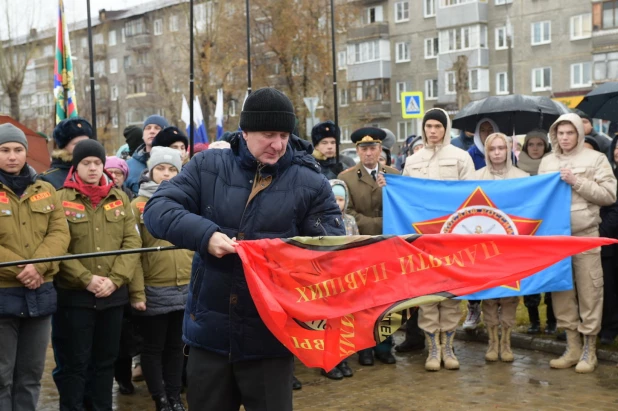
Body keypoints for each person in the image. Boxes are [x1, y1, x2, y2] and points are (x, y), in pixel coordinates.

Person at [143, 87, 345, 411]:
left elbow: (330, 250)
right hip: (209, 335)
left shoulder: (310, 182)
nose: (277, 144)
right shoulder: (207, 166)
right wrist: (206, 235)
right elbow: (157, 210)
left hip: (271, 339)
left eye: (284, 135)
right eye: (268, 134)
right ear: (245, 131)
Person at [52, 139, 141, 410]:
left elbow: (132, 242)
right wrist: (86, 279)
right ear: (75, 166)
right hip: (75, 297)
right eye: (86, 163)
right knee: (75, 364)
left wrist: (115, 280)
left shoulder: (120, 197)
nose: (93, 168)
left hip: (112, 298)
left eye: (97, 163)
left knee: (105, 362)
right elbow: (58, 247)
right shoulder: (60, 198)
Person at [389, 108, 474, 371]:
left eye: (438, 126)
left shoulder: (461, 158)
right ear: (424, 129)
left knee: (450, 295)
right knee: (427, 296)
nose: (433, 131)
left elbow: (471, 196)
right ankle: (432, 349)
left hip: (452, 239)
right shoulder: (414, 161)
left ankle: (448, 347)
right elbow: (404, 196)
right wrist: (388, 187)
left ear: (446, 128)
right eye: (429, 126)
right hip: (423, 241)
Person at [538, 113, 616, 373]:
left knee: (590, 291)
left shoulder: (596, 159)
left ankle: (588, 350)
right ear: (554, 135)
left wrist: (577, 181)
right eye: (560, 133)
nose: (565, 137)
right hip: (556, 239)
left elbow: (609, 195)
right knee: (562, 293)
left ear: (579, 134)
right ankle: (571, 347)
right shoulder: (547, 162)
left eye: (569, 132)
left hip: (586, 236)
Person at [0, 124, 70, 411]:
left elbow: (60, 233)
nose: (12, 156)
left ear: (26, 153)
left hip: (39, 293)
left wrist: (38, 266)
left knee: (30, 375)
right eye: (4, 150)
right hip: (3, 293)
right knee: (2, 376)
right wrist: (20, 269)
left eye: (18, 150)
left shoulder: (46, 189)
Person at [130, 147, 190, 411]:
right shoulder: (137, 205)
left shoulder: (189, 199)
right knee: (153, 348)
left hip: (185, 286)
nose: (166, 174)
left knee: (177, 347)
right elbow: (134, 252)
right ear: (150, 170)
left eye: (172, 169)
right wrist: (138, 292)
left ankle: (175, 397)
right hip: (154, 287)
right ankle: (160, 399)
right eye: (161, 169)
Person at [337, 127, 400, 367]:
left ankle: (384, 346)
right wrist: (377, 224)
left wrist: (389, 191)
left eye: (373, 148)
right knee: (362, 299)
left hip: (387, 246)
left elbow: (400, 206)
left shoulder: (393, 174)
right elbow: (347, 211)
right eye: (364, 149)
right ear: (357, 151)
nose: (369, 153)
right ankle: (363, 347)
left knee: (386, 298)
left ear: (380, 149)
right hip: (360, 244)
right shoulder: (347, 177)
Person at [473, 132, 529, 362]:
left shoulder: (522, 177)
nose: (497, 153)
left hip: (511, 247)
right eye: (492, 149)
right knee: (489, 294)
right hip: (485, 247)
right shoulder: (474, 178)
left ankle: (506, 341)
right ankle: (491, 341)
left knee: (509, 295)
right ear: (486, 152)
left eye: (501, 148)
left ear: (508, 150)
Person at [517, 129, 556, 334]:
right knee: (529, 276)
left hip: (548, 227)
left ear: (546, 146)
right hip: (526, 229)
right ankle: (533, 321)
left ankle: (552, 320)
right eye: (531, 144)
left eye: (539, 144)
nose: (535, 148)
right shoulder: (518, 169)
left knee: (550, 275)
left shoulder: (553, 167)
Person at [592, 135, 618, 346]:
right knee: (605, 286)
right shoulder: (608, 173)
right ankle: (605, 326)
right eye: (617, 147)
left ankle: (610, 327)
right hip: (606, 240)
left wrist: (600, 231)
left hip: (607, 235)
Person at [38, 118, 94, 189]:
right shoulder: (48, 179)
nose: (84, 147)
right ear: (64, 147)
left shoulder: (97, 173)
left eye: (87, 142)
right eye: (77, 144)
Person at [126, 115, 169, 195]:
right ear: (143, 135)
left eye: (157, 128)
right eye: (148, 128)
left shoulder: (175, 165)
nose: (152, 131)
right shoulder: (128, 166)